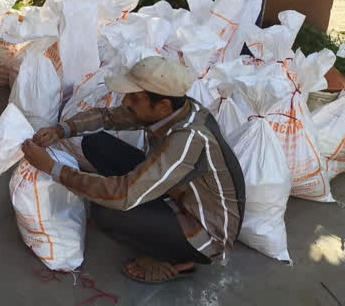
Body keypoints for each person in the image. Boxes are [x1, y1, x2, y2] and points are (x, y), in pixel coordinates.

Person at [21, 56, 246, 284]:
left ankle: (180, 260)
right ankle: (151, 216)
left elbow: (124, 195)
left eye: (135, 98)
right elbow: (108, 117)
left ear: (163, 106)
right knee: (95, 142)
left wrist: (52, 168)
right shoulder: (178, 109)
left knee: (107, 212)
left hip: (205, 231)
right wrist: (61, 130)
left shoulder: (189, 138)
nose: (126, 101)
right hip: (177, 192)